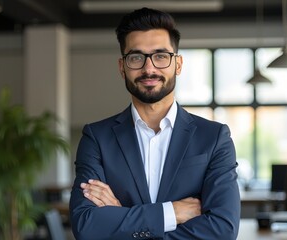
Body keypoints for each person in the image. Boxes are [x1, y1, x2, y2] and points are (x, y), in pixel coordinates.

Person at [69, 7, 240, 240]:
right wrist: (172, 212)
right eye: (136, 57)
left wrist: (121, 218)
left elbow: (223, 230)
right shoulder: (97, 137)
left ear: (177, 64)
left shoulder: (214, 137)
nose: (149, 69)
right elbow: (86, 227)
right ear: (122, 67)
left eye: (161, 56)